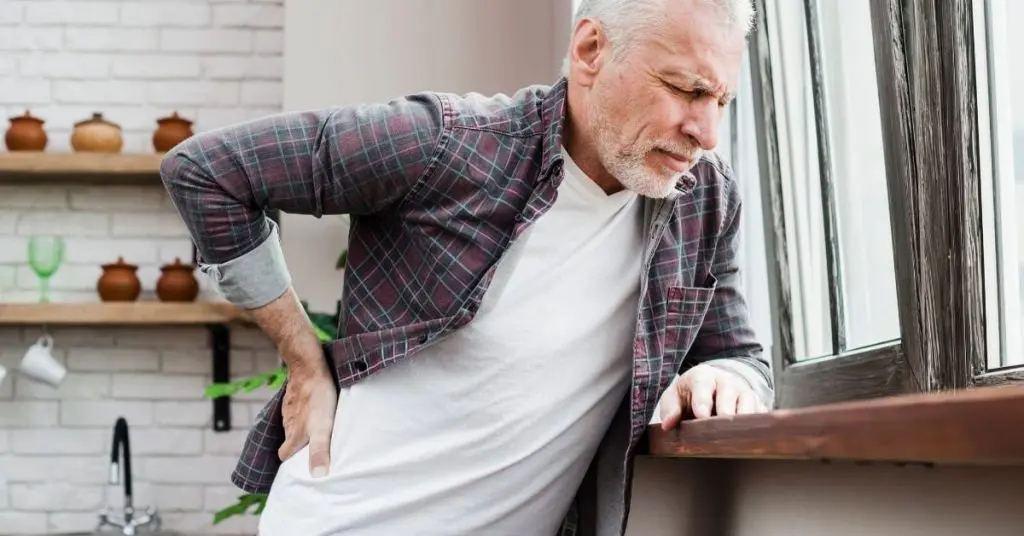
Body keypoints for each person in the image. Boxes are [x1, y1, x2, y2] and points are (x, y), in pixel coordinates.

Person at [159, 0, 771, 534]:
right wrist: (304, 359)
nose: (707, 131)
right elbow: (207, 171)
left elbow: (741, 356)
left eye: (721, 99)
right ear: (590, 50)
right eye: (686, 89)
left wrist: (726, 377)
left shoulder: (703, 200)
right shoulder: (447, 142)